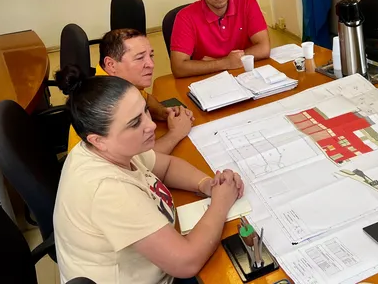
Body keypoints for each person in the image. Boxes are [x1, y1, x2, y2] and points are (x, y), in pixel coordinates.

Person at [53, 64, 245, 284]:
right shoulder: (108, 189)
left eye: (144, 110)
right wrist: (220, 202)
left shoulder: (111, 147)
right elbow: (186, 262)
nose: (151, 125)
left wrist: (206, 184)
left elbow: (167, 166)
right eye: (135, 123)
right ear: (98, 140)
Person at [66, 28, 194, 154]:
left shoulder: (118, 82)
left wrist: (164, 112)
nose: (151, 64)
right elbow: (139, 161)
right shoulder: (106, 103)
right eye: (140, 58)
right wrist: (175, 133)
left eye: (151, 55)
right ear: (111, 65)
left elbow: (146, 98)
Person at [170, 0, 270, 78]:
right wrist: (225, 63)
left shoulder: (247, 3)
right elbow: (178, 68)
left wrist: (222, 62)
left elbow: (264, 48)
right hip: (209, 80)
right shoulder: (185, 17)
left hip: (245, 75)